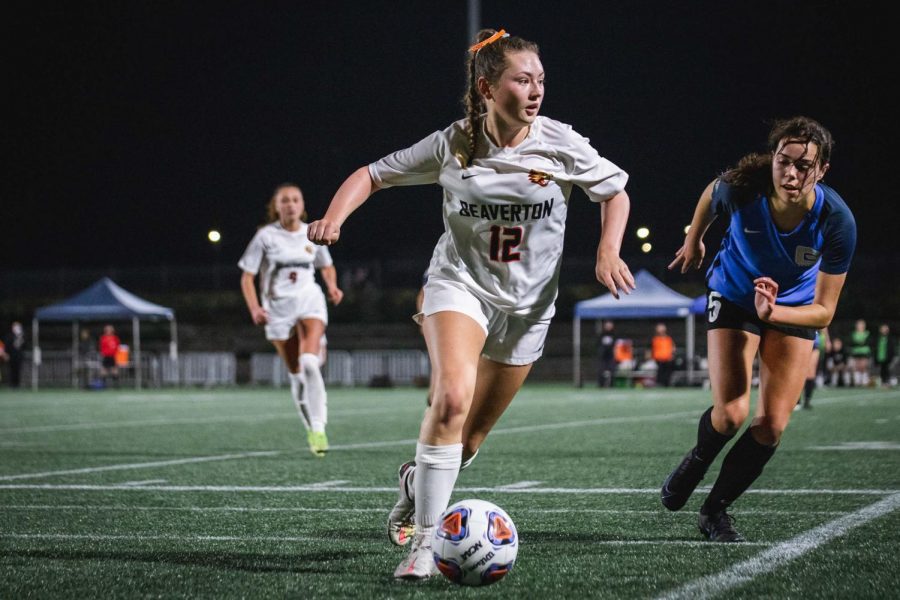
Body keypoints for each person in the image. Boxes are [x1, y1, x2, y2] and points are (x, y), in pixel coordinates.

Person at [307, 28, 633, 579]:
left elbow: (615, 192)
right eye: (522, 79)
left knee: (470, 440)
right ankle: (425, 547)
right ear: (487, 87)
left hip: (528, 309)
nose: (535, 91)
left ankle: (416, 481)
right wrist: (334, 217)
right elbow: (372, 174)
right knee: (452, 396)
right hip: (459, 286)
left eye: (540, 80)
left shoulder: (561, 143)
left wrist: (607, 250)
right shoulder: (452, 144)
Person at [662, 116, 856, 543]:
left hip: (793, 309)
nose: (791, 173)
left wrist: (772, 314)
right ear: (773, 159)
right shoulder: (743, 189)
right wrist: (695, 238)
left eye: (804, 166)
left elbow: (824, 312)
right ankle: (699, 456)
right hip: (734, 294)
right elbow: (712, 194)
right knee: (730, 414)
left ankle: (715, 512)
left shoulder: (837, 221)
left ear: (821, 170)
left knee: (771, 425)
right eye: (783, 161)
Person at [239, 182, 344, 458]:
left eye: (295, 199)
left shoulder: (312, 232)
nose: (291, 204)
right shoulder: (265, 237)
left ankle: (320, 428)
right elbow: (247, 277)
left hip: (309, 300)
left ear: (302, 205)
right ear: (276, 207)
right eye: (284, 200)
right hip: (277, 309)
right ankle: (311, 427)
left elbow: (327, 264)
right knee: (297, 374)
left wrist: (332, 286)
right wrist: (254, 308)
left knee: (310, 363)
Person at [797, 327, 828, 409]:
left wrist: (827, 340)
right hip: (798, 336)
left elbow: (823, 322)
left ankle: (807, 400)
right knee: (798, 371)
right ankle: (797, 400)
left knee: (810, 373)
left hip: (813, 337)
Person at [848, 318, 871, 386]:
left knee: (863, 366)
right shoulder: (853, 334)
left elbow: (867, 342)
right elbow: (852, 342)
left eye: (861, 325)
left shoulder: (867, 333)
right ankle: (857, 382)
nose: (859, 326)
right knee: (857, 366)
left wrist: (859, 343)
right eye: (858, 325)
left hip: (864, 352)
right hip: (856, 352)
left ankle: (864, 381)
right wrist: (860, 343)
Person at [651, 322, 675, 387]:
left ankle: (667, 383)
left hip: (668, 359)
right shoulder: (655, 339)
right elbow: (651, 350)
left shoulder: (668, 339)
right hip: (658, 360)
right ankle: (659, 383)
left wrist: (672, 354)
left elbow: (673, 348)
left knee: (669, 369)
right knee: (660, 370)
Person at [596, 320, 616, 387]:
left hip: (611, 356)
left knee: (612, 370)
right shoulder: (601, 335)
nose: (609, 327)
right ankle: (601, 385)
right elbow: (597, 344)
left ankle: (611, 385)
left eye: (610, 325)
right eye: (607, 325)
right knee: (601, 370)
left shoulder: (614, 335)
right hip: (603, 356)